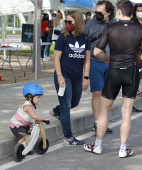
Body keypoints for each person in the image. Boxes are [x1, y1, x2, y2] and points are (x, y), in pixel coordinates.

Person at [83, 0, 142, 158]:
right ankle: (123, 149)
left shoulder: (111, 28)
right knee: (126, 111)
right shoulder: (139, 29)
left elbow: (96, 51)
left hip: (114, 71)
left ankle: (98, 145)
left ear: (119, 12)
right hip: (131, 71)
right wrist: (135, 57)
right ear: (132, 13)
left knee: (104, 110)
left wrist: (108, 59)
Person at [49, 11, 91, 146]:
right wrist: (60, 76)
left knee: (75, 102)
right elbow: (56, 58)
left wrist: (86, 78)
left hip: (78, 77)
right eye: (66, 22)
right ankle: (68, 137)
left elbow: (87, 60)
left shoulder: (85, 38)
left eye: (69, 22)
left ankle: (56, 111)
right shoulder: (63, 37)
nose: (67, 24)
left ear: (77, 23)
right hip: (64, 75)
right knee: (66, 105)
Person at [85, 0, 116, 134]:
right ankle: (97, 122)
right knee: (97, 92)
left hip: (112, 63)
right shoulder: (90, 23)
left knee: (108, 95)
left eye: (99, 12)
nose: (96, 14)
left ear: (108, 13)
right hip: (95, 62)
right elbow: (85, 42)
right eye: (95, 12)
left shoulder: (115, 24)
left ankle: (104, 121)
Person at [131, 3, 142, 69]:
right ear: (135, 12)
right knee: (137, 67)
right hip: (135, 48)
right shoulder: (133, 21)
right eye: (138, 10)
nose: (140, 12)